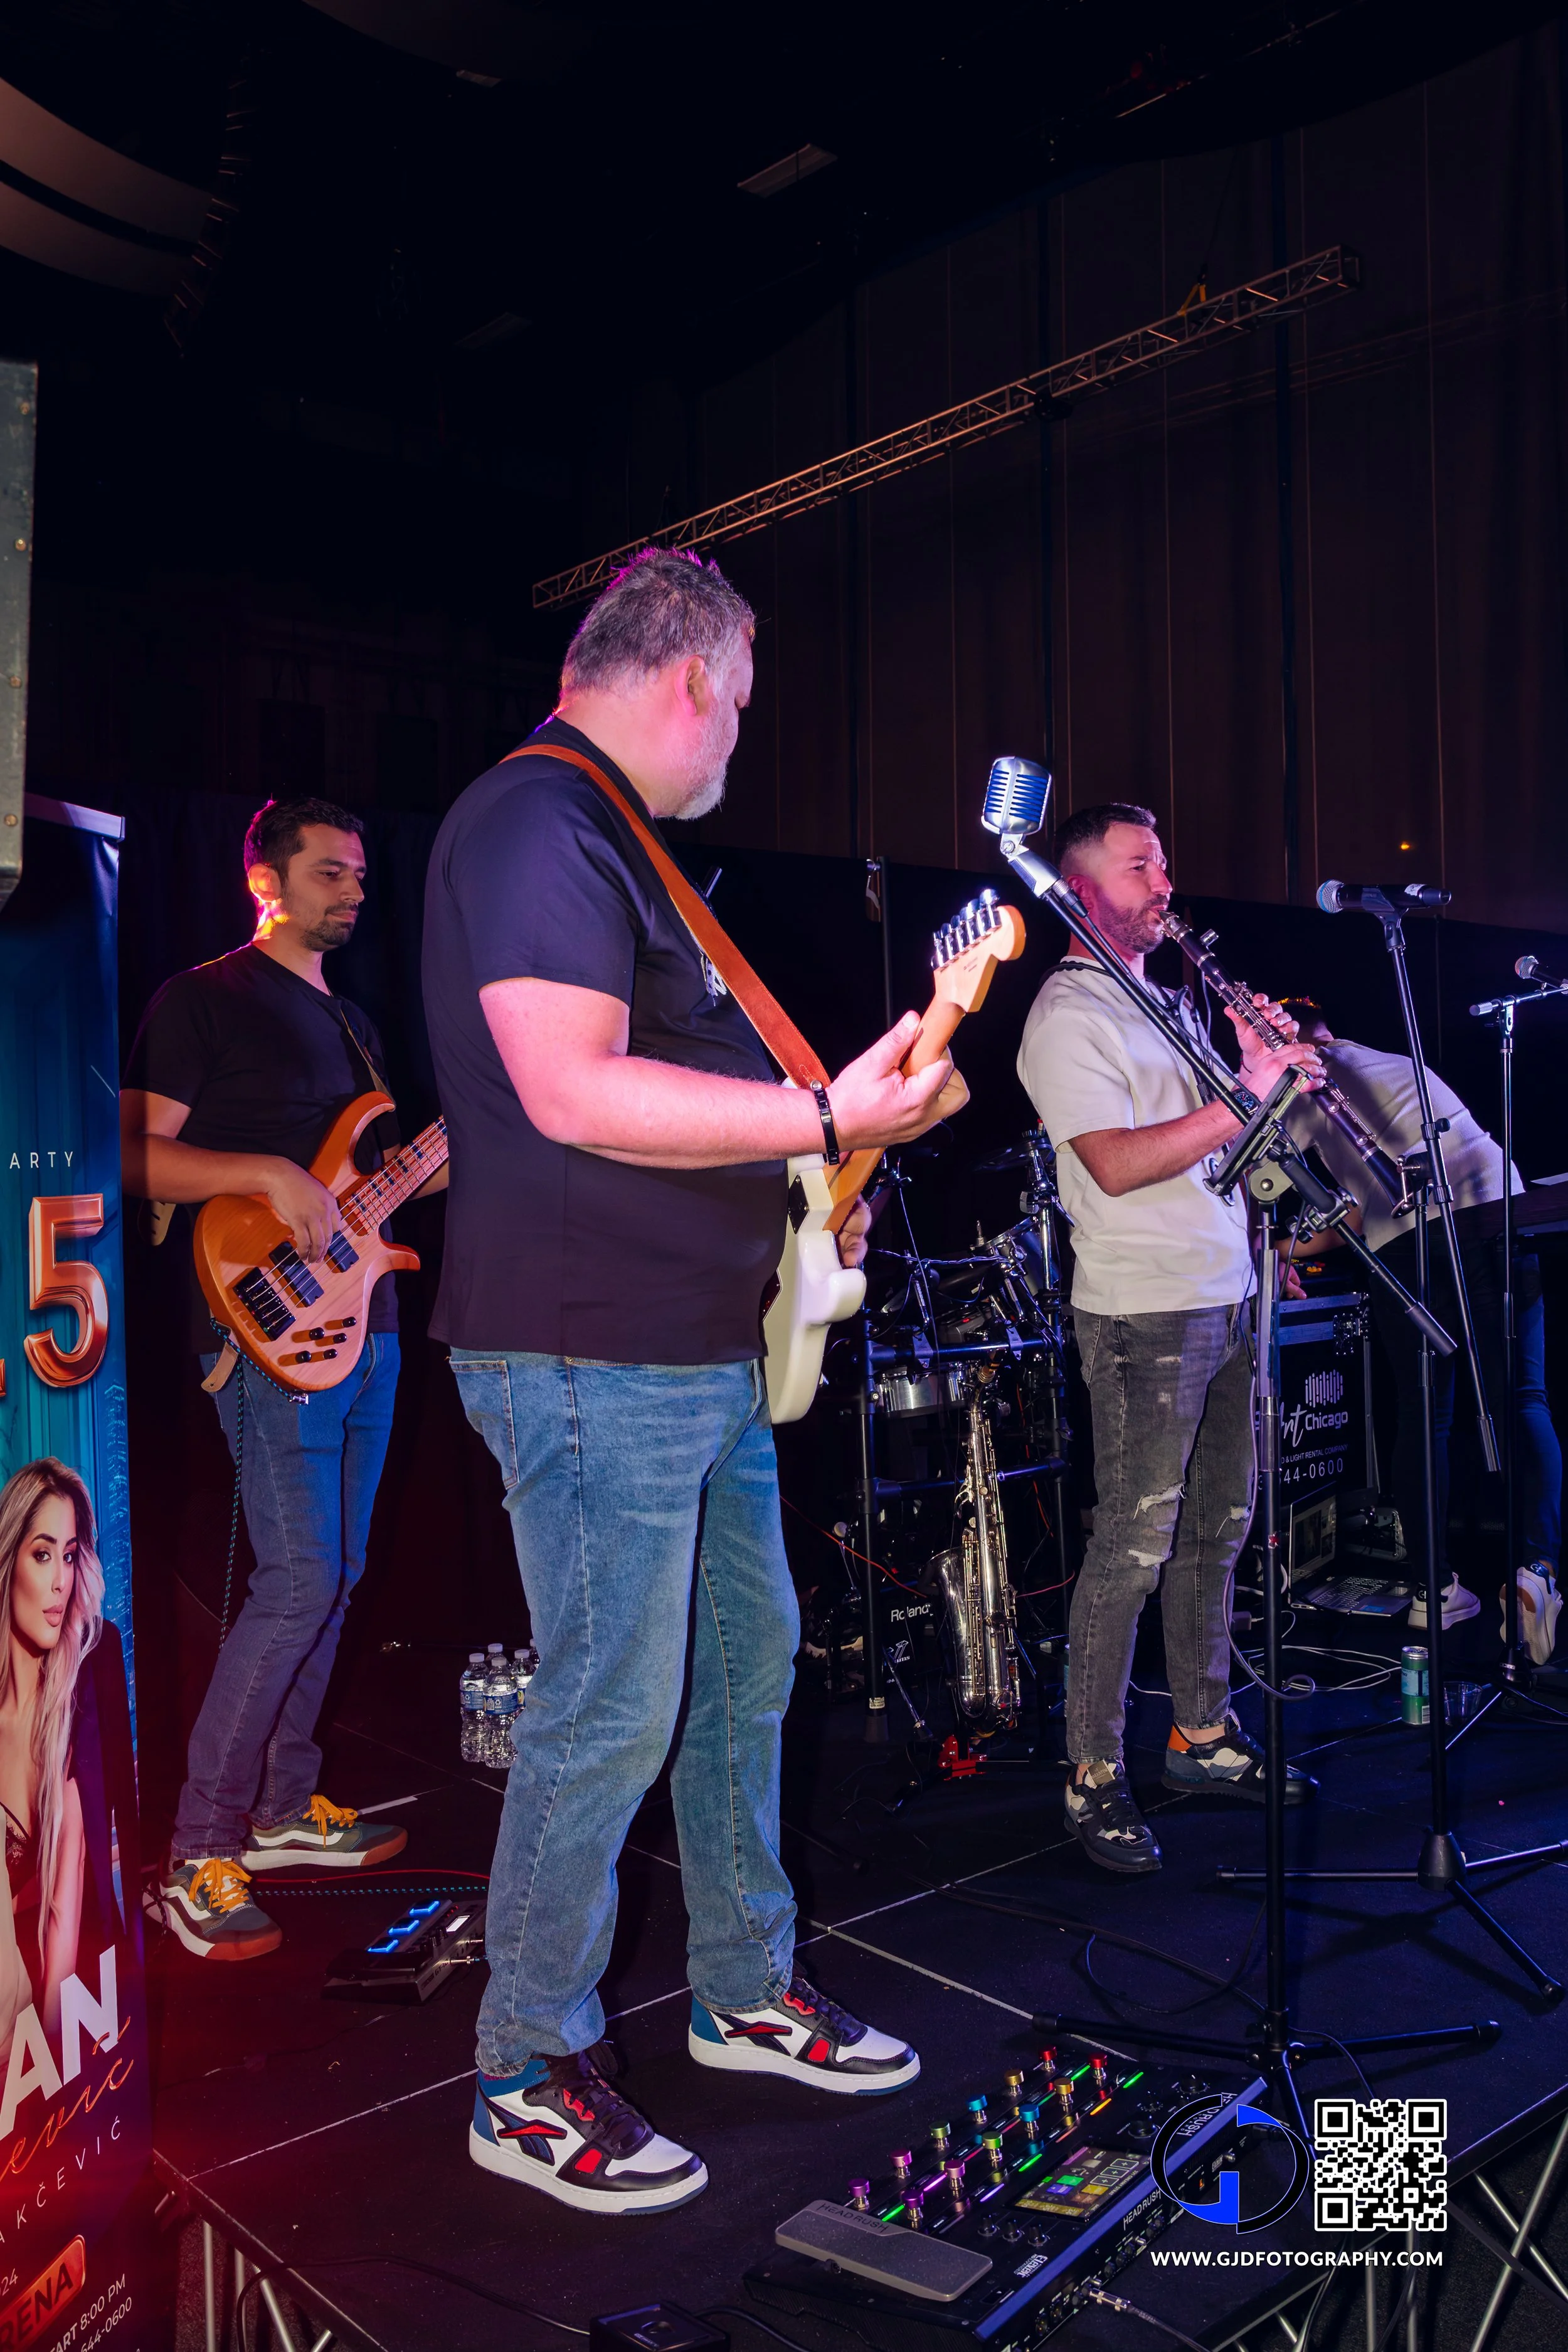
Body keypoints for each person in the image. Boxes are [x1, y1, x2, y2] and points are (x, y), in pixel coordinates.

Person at [423, 547, 965, 2216]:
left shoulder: (626, 848)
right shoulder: (537, 820)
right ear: (686, 673)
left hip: (695, 1349)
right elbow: (571, 1091)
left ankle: (741, 1984)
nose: (739, 728)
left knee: (744, 1668)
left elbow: (707, 1095)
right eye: (738, 696)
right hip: (588, 1351)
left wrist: (841, 1110)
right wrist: (823, 1120)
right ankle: (521, 2068)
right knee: (608, 1707)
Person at [121, 798, 446, 1961]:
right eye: (326, 873)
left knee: (340, 1572)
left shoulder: (353, 1020)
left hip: (370, 1319)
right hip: (264, 1321)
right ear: (264, 879)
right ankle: (194, 1852)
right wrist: (267, 1171)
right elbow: (129, 1150)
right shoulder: (205, 997)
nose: (351, 892)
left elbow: (372, 1175)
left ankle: (276, 1807)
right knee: (300, 1575)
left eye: (359, 875)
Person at [1017, 803, 1320, 1875]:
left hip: (1225, 1292)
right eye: (1138, 866)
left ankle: (1201, 1731)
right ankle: (1093, 1772)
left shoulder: (1165, 998)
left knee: (1218, 1530)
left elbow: (1220, 1153)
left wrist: (1261, 1070)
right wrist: (1245, 1094)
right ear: (1083, 891)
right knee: (1133, 1546)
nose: (1163, 883)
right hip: (1144, 1312)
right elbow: (1116, 1162)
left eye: (1163, 862)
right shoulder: (1066, 1015)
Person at [1281, 1003, 1562, 1661]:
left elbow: (1333, 1210)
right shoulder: (1396, 1069)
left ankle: (1430, 1591)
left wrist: (1271, 1251)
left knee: (1422, 1416)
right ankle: (1536, 1573)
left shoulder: (1292, 1082)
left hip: (1408, 1244)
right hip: (1492, 1210)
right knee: (1522, 1397)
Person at [0, 1458, 103, 2043]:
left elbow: (62, 1921)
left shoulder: (69, 1726)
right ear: (8, 1560)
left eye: (69, 1556)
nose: (61, 1580)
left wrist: (49, 2071)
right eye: (43, 1555)